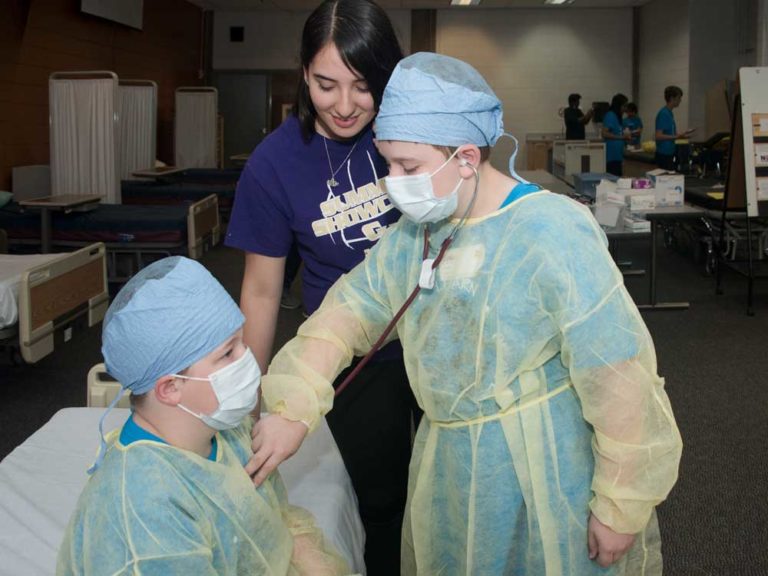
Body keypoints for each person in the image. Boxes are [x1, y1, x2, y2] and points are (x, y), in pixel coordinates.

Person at [247, 53, 683, 575]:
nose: (393, 181)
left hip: (544, 471)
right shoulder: (416, 236)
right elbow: (347, 313)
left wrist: (620, 503)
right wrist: (292, 404)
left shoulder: (549, 231)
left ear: (467, 158)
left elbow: (617, 371)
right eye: (388, 164)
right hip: (451, 467)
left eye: (408, 167)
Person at [224, 2, 419, 574]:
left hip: (439, 336)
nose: (344, 106)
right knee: (381, 497)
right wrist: (250, 396)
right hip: (354, 355)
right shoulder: (275, 164)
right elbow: (261, 292)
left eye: (364, 86)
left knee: (455, 483)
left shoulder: (412, 133)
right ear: (303, 74)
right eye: (326, 84)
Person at [57, 257, 352, 576]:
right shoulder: (145, 510)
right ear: (170, 388)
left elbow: (272, 524)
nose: (248, 358)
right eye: (228, 353)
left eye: (241, 341)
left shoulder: (225, 429)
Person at [655, 85, 694, 170]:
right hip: (663, 153)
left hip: (670, 152)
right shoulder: (663, 114)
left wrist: (683, 134)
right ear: (672, 98)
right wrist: (678, 136)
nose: (680, 100)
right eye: (679, 98)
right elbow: (658, 136)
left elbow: (670, 133)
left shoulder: (670, 113)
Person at [602, 93, 631, 177]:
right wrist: (622, 137)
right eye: (624, 106)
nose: (625, 109)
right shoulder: (610, 115)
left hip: (618, 156)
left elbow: (618, 133)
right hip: (611, 156)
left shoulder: (618, 117)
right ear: (618, 105)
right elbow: (604, 133)